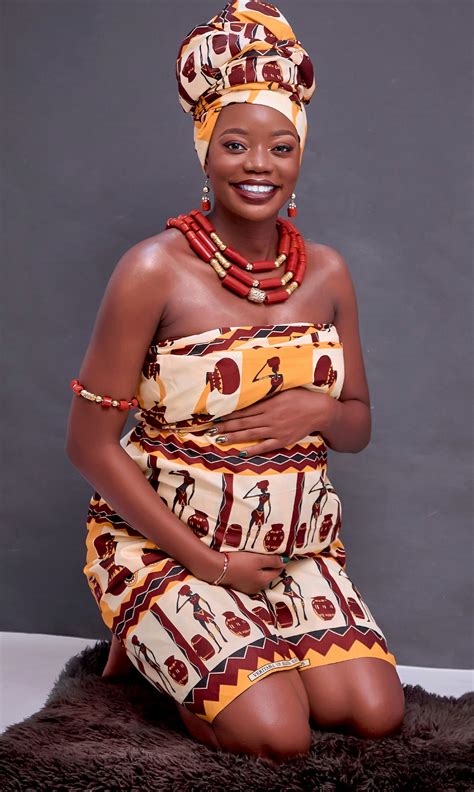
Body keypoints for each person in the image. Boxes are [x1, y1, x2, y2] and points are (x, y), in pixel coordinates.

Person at [66, 0, 405, 762]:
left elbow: (357, 426)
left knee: (374, 713)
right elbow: (88, 445)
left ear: (301, 154)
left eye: (281, 146)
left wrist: (317, 408)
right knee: (280, 734)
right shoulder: (151, 272)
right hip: (170, 547)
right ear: (204, 151)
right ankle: (151, 630)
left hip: (292, 550)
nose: (260, 165)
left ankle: (232, 644)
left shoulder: (328, 273)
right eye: (237, 144)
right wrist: (207, 564)